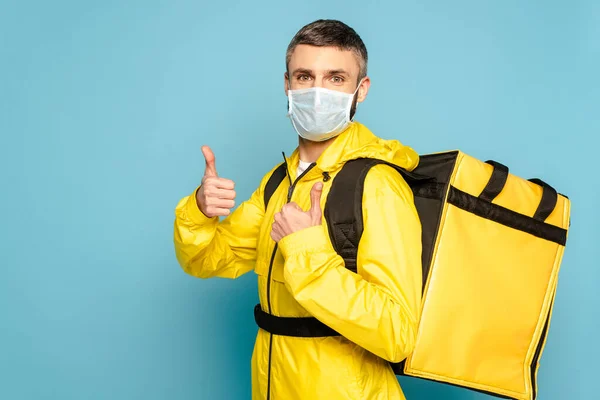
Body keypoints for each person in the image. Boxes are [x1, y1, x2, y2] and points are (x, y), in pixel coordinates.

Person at [174, 19, 423, 400]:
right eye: (305, 76)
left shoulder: (377, 185)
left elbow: (398, 334)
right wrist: (200, 211)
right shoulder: (279, 182)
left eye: (336, 78)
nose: (318, 92)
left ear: (362, 90)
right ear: (287, 85)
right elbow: (206, 259)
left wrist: (306, 247)